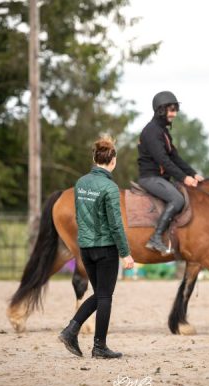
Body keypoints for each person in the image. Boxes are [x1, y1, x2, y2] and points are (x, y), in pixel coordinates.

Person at [59, 136, 134, 359]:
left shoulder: (80, 183)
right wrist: (126, 253)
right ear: (113, 161)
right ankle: (98, 346)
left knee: (99, 294)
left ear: (94, 158)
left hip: (85, 248)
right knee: (105, 296)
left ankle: (71, 331)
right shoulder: (110, 188)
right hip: (105, 249)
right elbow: (116, 224)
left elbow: (80, 216)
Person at [137, 91, 204, 254]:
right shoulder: (151, 131)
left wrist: (193, 174)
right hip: (150, 178)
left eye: (175, 110)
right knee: (177, 199)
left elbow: (175, 158)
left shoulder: (163, 132)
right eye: (171, 110)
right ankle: (155, 238)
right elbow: (163, 161)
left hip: (162, 178)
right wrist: (183, 177)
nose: (174, 114)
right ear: (161, 110)